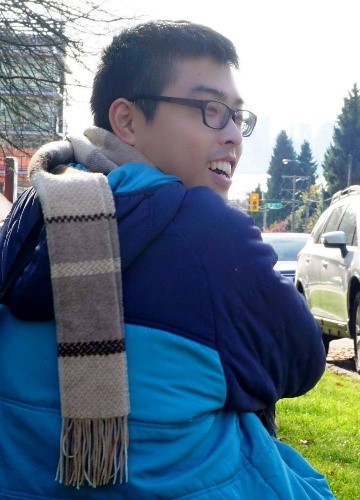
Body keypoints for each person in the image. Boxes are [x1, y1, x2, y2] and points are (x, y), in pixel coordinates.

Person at [0, 20, 333, 498]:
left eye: (237, 116)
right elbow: (302, 361)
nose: (233, 135)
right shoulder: (206, 233)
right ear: (127, 121)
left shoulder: (30, 214)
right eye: (210, 110)